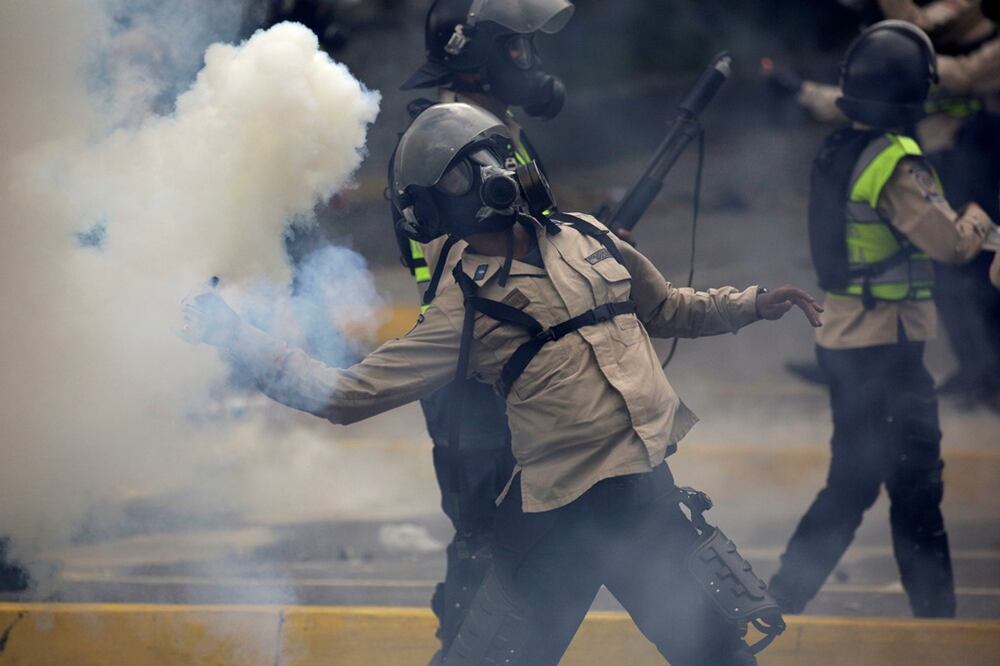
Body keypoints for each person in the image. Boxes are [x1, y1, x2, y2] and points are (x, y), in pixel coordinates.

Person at [184, 102, 824, 665]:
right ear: (445, 200)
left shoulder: (585, 235)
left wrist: (752, 303)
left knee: (716, 656)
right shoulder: (462, 307)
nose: (497, 170)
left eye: (494, 155)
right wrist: (233, 336)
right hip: (560, 524)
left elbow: (666, 308)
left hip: (643, 497)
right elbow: (345, 395)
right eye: (474, 165)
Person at [767, 21, 996, 618]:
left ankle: (774, 604)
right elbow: (950, 245)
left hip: (848, 342)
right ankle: (938, 628)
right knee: (915, 491)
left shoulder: (842, 146)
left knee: (855, 484)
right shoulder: (897, 162)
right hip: (887, 351)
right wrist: (975, 215)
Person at [389, 0, 583, 653]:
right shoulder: (440, 147)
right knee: (483, 538)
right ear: (481, 54)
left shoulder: (493, 135)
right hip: (469, 368)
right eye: (516, 48)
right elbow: (478, 257)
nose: (528, 63)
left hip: (507, 362)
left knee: (517, 536)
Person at [767, 0, 1000, 404]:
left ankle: (985, 375)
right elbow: (870, 98)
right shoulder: (935, 47)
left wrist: (904, 52)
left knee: (982, 274)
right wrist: (802, 90)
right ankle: (972, 371)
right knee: (939, 276)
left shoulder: (970, 52)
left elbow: (946, 66)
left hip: (980, 165)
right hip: (946, 164)